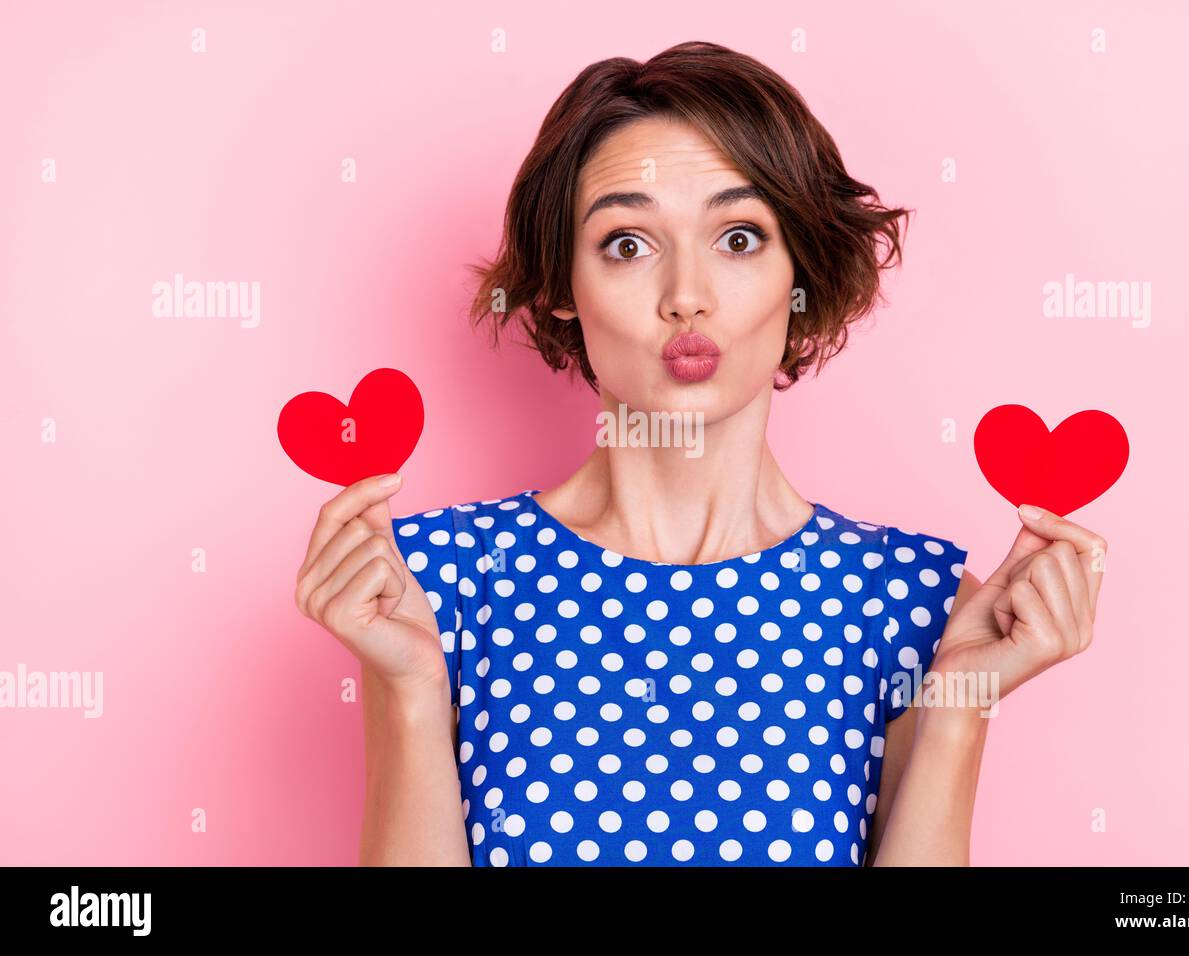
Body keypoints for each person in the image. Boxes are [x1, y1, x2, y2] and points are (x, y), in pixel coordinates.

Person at [294, 41, 1106, 866]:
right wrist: (409, 689)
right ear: (562, 289)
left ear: (802, 273)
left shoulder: (916, 606)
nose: (687, 295)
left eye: (740, 237)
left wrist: (956, 709)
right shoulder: (435, 585)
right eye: (627, 244)